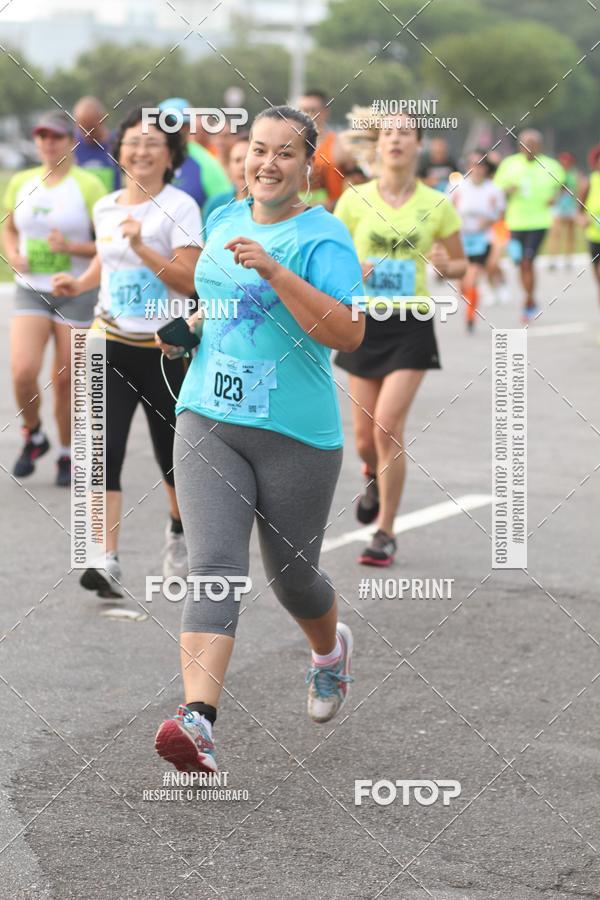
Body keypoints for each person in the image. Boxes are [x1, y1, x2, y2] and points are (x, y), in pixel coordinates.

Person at [154, 105, 365, 774]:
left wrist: (276, 272)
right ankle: (200, 722)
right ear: (243, 156)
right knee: (214, 566)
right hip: (208, 417)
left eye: (284, 153)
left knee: (294, 579)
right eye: (258, 150)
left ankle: (330, 656)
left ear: (307, 166)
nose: (267, 163)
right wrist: (190, 323)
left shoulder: (323, 237)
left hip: (295, 433)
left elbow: (348, 333)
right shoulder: (224, 219)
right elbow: (216, 297)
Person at [52, 107, 202, 596]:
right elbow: (105, 257)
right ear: (119, 150)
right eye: (133, 142)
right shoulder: (108, 207)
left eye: (153, 144)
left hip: (164, 351)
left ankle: (179, 530)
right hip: (109, 341)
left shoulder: (180, 207)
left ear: (170, 156)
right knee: (103, 451)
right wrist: (80, 280)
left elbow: (190, 279)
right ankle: (105, 555)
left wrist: (143, 249)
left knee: (172, 459)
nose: (141, 151)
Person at [334, 114, 466, 566]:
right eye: (388, 133)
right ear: (379, 144)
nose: (395, 140)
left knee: (388, 427)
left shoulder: (437, 203)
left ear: (417, 145)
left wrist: (446, 263)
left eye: (404, 134)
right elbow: (331, 258)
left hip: (411, 323)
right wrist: (352, 273)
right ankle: (372, 475)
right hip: (364, 323)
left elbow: (461, 266)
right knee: (364, 438)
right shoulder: (354, 201)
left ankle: (385, 532)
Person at [2, 110, 106, 486]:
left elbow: (106, 244)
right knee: (22, 371)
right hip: (32, 288)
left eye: (56, 137)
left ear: (71, 141)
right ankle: (35, 434)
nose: (48, 143)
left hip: (75, 291)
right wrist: (12, 254)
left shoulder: (89, 185)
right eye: (42, 136)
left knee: (65, 381)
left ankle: (66, 452)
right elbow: (9, 227)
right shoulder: (22, 180)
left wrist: (72, 246)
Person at [494, 130, 565, 320]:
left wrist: (555, 198)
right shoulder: (509, 164)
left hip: (539, 221)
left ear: (539, 146)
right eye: (526, 144)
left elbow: (563, 187)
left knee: (527, 262)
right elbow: (497, 188)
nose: (529, 147)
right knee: (520, 263)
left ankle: (527, 301)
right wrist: (508, 190)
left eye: (533, 144)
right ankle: (530, 297)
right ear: (520, 146)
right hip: (515, 222)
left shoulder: (551, 165)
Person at [450, 151, 505, 331]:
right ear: (468, 166)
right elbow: (446, 211)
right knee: (463, 285)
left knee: (472, 279)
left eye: (481, 165)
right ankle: (471, 303)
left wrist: (489, 221)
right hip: (461, 240)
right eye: (473, 164)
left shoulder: (494, 189)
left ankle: (470, 317)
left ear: (486, 168)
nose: (477, 169)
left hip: (483, 240)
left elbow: (501, 213)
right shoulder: (458, 187)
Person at [158, 98, 231, 219]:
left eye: (183, 125)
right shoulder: (146, 159)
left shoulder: (205, 162)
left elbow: (227, 207)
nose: (175, 131)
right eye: (167, 125)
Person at [297, 90, 356, 209]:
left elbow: (357, 186)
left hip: (331, 216)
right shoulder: (290, 145)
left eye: (312, 110)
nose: (306, 115)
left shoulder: (340, 146)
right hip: (296, 218)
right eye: (302, 110)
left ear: (324, 112)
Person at [73, 96, 121, 192]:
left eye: (91, 127)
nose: (87, 133)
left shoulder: (119, 143)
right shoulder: (70, 145)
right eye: (82, 128)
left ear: (103, 120)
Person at [202, 134, 250, 220]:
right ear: (229, 167)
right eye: (237, 160)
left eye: (247, 160)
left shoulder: (269, 206)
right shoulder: (215, 204)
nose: (243, 166)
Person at [548, 151, 580, 269]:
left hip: (570, 207)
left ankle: (568, 258)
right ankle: (553, 259)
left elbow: (579, 191)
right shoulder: (556, 174)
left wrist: (579, 207)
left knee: (570, 235)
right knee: (555, 234)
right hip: (558, 208)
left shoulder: (574, 175)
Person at [580, 144, 600, 306]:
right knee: (597, 272)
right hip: (594, 235)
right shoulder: (589, 182)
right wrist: (582, 219)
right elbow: (579, 210)